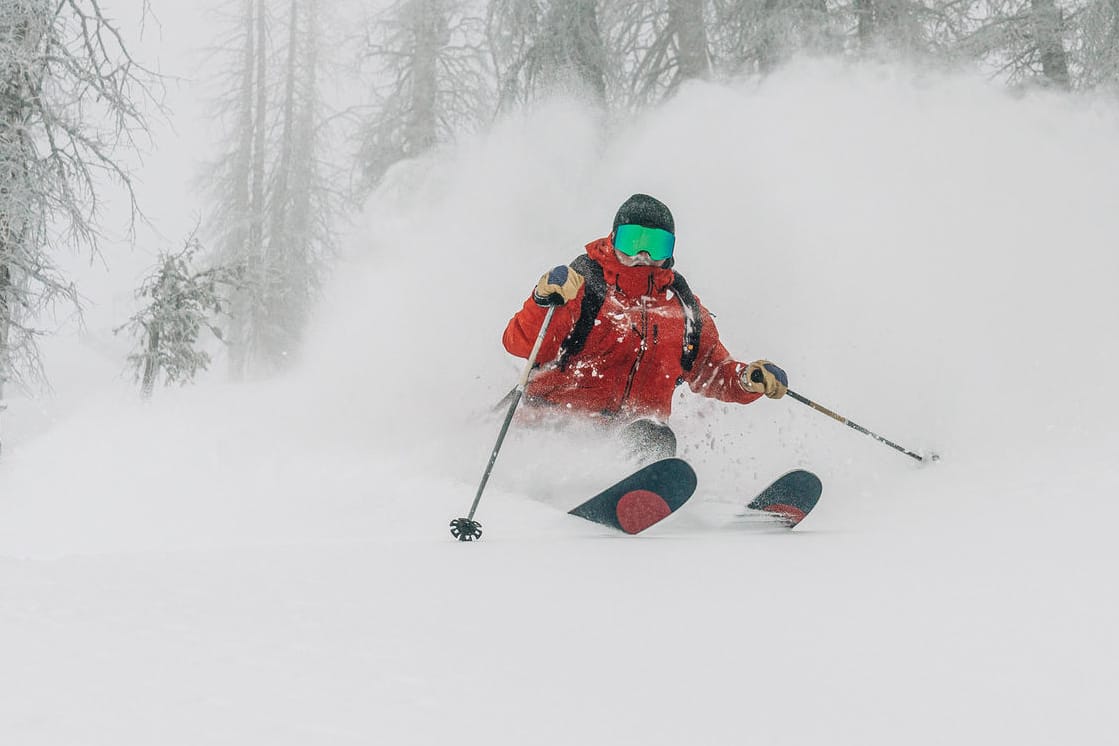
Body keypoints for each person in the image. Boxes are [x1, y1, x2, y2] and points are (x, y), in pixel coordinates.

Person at [502, 193, 787, 461]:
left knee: (655, 437)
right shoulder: (582, 287)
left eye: (656, 245)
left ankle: (633, 497)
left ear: (670, 251)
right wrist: (543, 301)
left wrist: (747, 379)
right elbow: (521, 344)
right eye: (632, 241)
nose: (643, 254)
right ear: (613, 238)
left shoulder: (683, 311)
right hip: (543, 426)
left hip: (620, 442)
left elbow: (712, 371)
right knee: (648, 436)